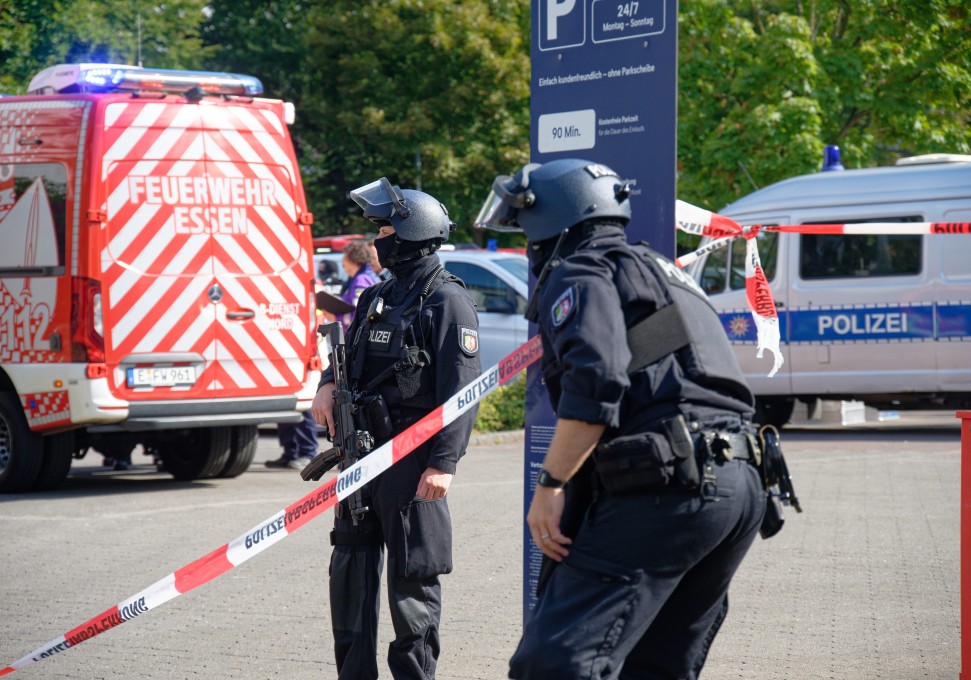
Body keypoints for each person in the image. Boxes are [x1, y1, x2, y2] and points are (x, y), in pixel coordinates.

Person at [475, 158, 766, 680]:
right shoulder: (662, 272)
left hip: (672, 485)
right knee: (654, 666)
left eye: (525, 231)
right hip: (741, 483)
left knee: (555, 664)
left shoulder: (581, 270)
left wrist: (550, 487)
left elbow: (598, 382)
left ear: (550, 221)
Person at [310, 177, 482, 680]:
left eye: (384, 227)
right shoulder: (377, 297)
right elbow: (352, 359)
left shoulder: (446, 301)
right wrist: (325, 385)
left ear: (411, 233)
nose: (378, 237)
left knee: (412, 591)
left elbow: (462, 391)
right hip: (361, 457)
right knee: (349, 581)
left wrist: (444, 462)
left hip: (411, 462)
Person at [337, 239, 380, 331]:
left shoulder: (361, 281)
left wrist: (336, 319)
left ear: (353, 259)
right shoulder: (367, 276)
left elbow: (361, 314)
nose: (342, 262)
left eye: (344, 257)